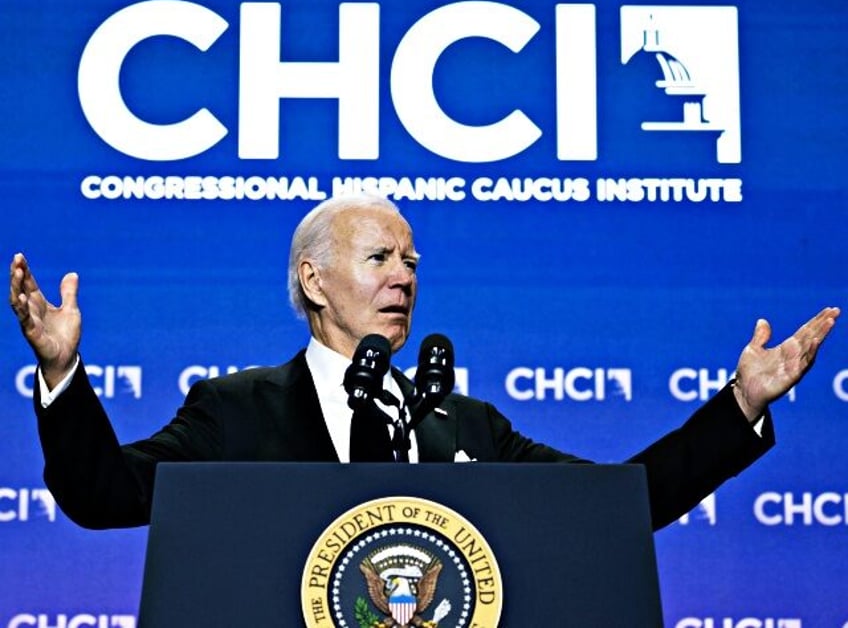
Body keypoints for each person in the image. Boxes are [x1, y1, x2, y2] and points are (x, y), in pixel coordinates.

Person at [9, 194, 840, 531]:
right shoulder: (235, 410)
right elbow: (100, 496)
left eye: (411, 261)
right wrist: (61, 375)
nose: (404, 275)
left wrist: (739, 404)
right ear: (315, 281)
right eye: (379, 258)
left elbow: (617, 508)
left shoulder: (464, 424)